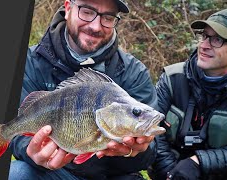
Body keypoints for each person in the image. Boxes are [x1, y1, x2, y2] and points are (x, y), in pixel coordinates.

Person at [8, 0, 158, 179]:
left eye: (108, 17)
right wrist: (31, 150)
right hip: (54, 174)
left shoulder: (134, 73)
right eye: (87, 12)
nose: (95, 26)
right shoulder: (30, 62)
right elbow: (17, 125)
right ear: (68, 7)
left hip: (113, 176)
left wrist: (137, 150)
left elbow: (150, 153)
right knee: (17, 174)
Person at [151, 8, 227, 180]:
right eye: (204, 36)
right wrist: (171, 174)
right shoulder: (172, 78)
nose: (204, 45)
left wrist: (199, 161)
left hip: (222, 172)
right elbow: (151, 130)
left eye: (217, 40)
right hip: (173, 168)